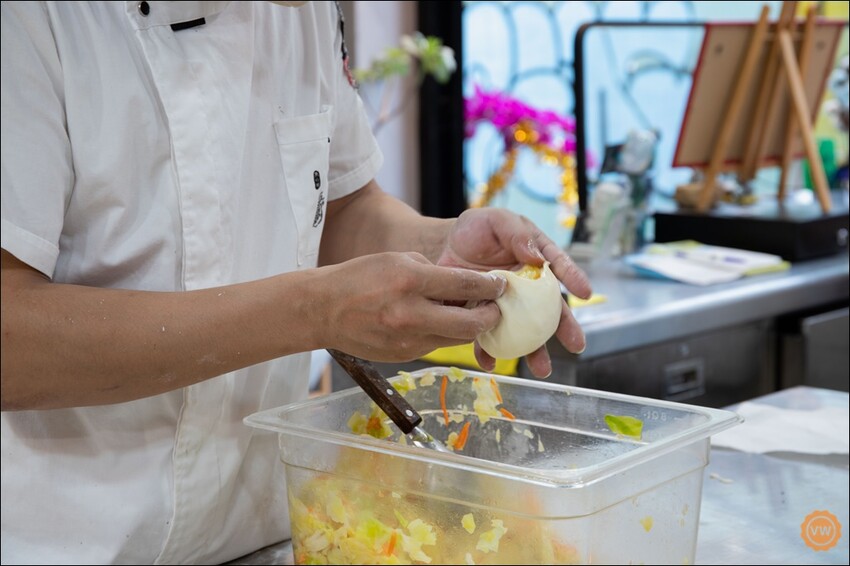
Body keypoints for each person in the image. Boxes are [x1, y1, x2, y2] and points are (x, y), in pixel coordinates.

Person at [0, 1, 591, 564]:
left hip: (263, 531)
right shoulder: (31, 22)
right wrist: (312, 312)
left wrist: (440, 250)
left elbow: (341, 207)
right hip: (61, 542)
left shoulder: (299, 12)